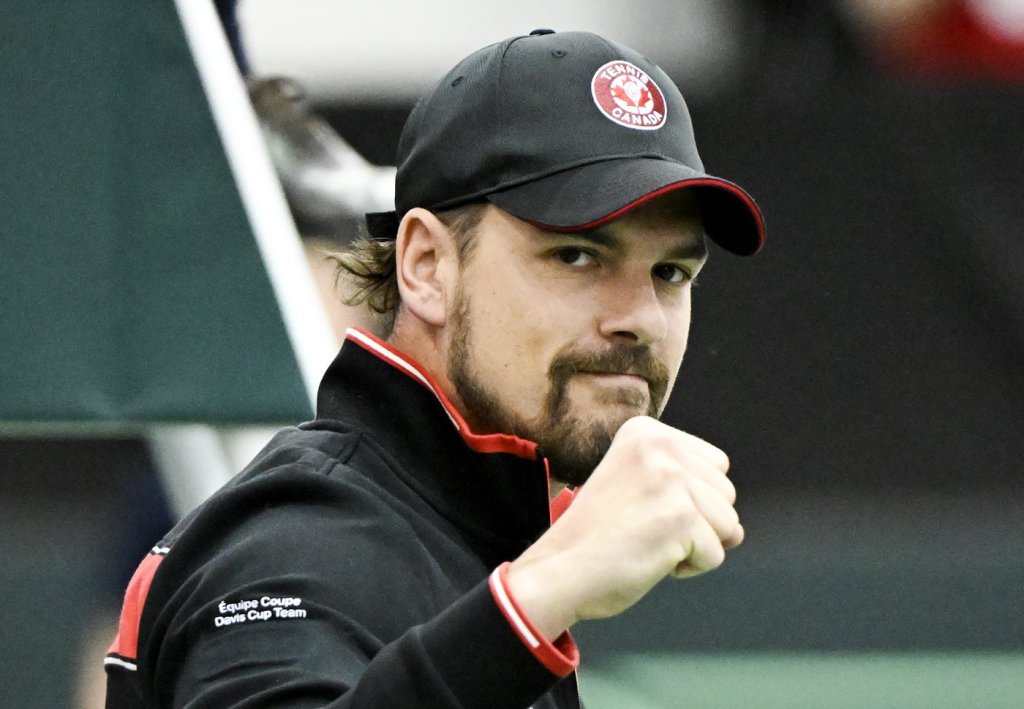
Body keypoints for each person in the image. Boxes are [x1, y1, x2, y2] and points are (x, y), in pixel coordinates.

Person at [104, 29, 765, 708]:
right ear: (425, 266)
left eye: (671, 272)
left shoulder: (474, 534)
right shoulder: (292, 541)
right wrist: (544, 590)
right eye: (576, 256)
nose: (642, 318)